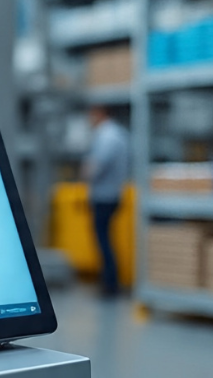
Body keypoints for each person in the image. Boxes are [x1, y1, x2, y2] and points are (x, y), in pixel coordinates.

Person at [82, 106, 129, 296]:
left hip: (104, 196)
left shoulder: (107, 136)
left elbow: (96, 167)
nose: (90, 120)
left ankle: (110, 284)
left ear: (100, 114)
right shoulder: (119, 134)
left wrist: (85, 173)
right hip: (113, 194)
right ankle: (110, 281)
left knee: (103, 241)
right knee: (106, 239)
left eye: (91, 115)